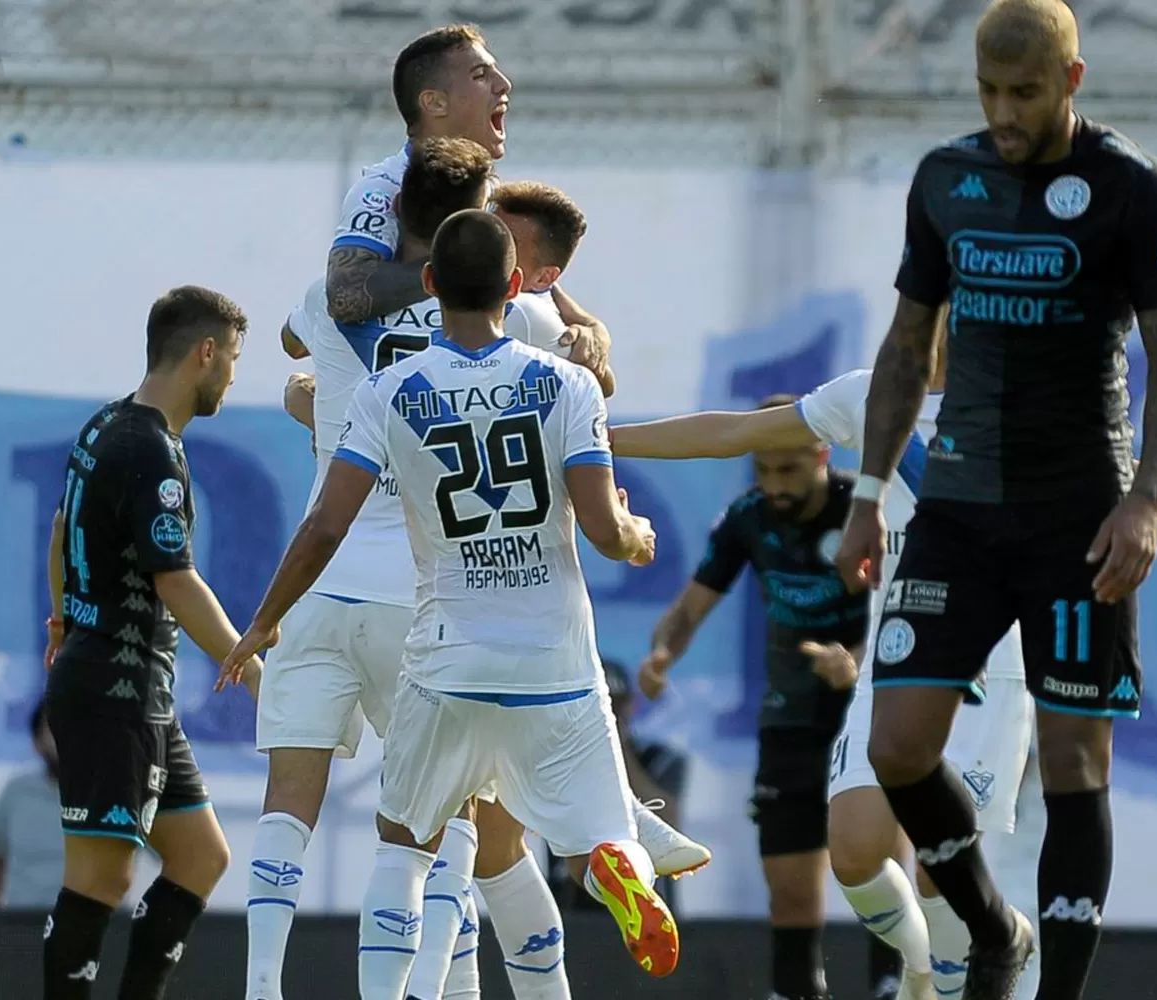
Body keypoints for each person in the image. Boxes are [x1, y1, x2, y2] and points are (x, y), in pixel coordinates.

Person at [610, 310, 1157, 1000]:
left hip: (996, 663)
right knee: (856, 848)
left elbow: (1142, 482)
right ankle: (925, 967)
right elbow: (737, 430)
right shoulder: (871, 396)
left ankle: (964, 971)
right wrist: (600, 440)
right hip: (903, 646)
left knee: (936, 869)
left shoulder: (1034, 409)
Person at [256, 142, 706, 1000]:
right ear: (516, 286)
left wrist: (265, 620)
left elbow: (322, 522)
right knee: (567, 828)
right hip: (553, 662)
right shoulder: (563, 380)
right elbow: (608, 528)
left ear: (427, 283)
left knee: (407, 844)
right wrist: (640, 536)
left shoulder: (393, 393)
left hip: (445, 651)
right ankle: (618, 855)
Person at [833, 1, 1157, 994]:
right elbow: (909, 347)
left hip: (1079, 518)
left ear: (1071, 81)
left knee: (1076, 764)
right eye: (988, 91)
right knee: (898, 744)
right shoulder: (947, 179)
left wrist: (1149, 498)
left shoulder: (1128, 186)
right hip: (958, 510)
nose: (1004, 111)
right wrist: (869, 494)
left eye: (1025, 92)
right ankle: (994, 927)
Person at [638, 398, 901, 1000]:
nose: (775, 486)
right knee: (790, 883)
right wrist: (662, 655)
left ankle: (896, 982)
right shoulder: (749, 518)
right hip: (791, 716)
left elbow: (901, 608)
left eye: (788, 470)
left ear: (821, 456)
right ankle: (797, 991)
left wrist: (856, 662)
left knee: (878, 859)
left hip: (867, 710)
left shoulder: (864, 511)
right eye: (764, 471)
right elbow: (689, 608)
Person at [41, 286, 262, 1000]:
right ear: (205, 352)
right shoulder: (152, 452)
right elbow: (176, 580)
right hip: (115, 685)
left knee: (200, 856)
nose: (232, 374)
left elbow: (57, 527)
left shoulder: (108, 424)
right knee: (101, 876)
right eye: (231, 357)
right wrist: (248, 663)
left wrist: (60, 622)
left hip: (129, 685)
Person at [323, 23, 613, 391]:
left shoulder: (485, 187)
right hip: (394, 426)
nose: (503, 83)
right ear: (434, 103)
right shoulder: (384, 187)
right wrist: (469, 270)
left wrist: (592, 329)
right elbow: (345, 294)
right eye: (480, 75)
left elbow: (527, 279)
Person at [546, 658, 693, 911]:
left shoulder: (662, 759)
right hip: (573, 904)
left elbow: (669, 822)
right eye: (600, 705)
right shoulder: (557, 761)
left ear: (631, 705)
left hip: (646, 906)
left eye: (616, 704)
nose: (608, 714)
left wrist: (615, 749)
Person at [0, 701, 64, 910]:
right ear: (36, 742)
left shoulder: (109, 796)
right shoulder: (16, 792)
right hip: (22, 927)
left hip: (89, 930)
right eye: (53, 728)